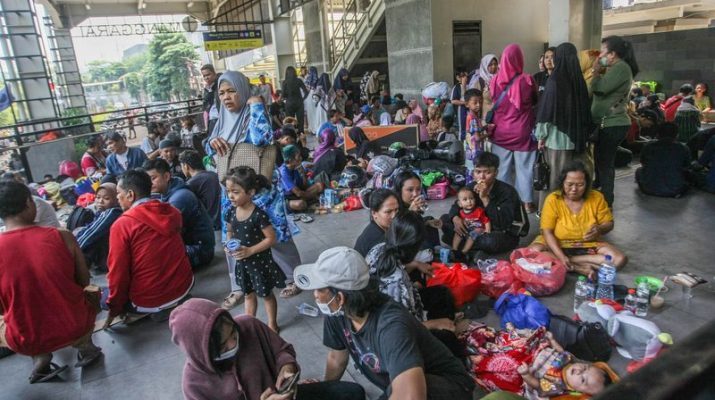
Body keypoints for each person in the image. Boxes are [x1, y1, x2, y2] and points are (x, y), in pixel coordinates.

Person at [293, 246, 476, 400]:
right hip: (404, 387)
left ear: (340, 297)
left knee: (397, 391)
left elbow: (410, 396)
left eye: (319, 289)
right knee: (351, 393)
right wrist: (327, 391)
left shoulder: (390, 324)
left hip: (448, 389)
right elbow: (336, 358)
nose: (315, 295)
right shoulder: (337, 313)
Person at [0, 181, 102, 383]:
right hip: (74, 325)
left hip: (25, 338)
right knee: (91, 291)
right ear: (30, 203)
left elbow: (2, 309)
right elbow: (84, 281)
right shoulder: (62, 236)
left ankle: (40, 357)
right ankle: (85, 347)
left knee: (9, 317)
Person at [169, 298, 366, 400]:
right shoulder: (194, 384)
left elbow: (282, 350)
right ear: (200, 351)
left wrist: (287, 367)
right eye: (223, 345)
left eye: (233, 334)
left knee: (352, 393)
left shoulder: (248, 325)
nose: (233, 344)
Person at [104, 169, 194, 327]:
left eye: (119, 193)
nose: (117, 197)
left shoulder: (123, 224)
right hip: (184, 285)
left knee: (103, 295)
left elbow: (118, 273)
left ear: (130, 195)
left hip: (151, 299)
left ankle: (151, 310)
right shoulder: (172, 211)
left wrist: (115, 307)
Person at [528, 161, 627, 277]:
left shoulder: (596, 198)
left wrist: (599, 229)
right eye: (569, 184)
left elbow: (609, 223)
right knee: (531, 253)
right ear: (562, 183)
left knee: (619, 259)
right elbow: (547, 232)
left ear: (587, 184)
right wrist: (561, 255)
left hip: (587, 245)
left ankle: (569, 262)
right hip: (556, 244)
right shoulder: (553, 199)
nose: (574, 189)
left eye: (580, 185)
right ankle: (580, 267)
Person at [223, 167, 285, 333]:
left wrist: (250, 251)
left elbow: (271, 238)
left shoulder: (259, 215)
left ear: (250, 192)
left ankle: (272, 324)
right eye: (228, 191)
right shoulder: (230, 212)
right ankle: (250, 324)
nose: (230, 196)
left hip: (260, 264)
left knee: (266, 295)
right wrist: (228, 245)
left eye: (235, 192)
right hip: (242, 264)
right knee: (248, 294)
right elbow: (229, 231)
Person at [535, 42, 592, 211]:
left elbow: (547, 113)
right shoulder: (578, 80)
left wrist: (540, 137)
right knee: (572, 181)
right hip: (575, 141)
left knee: (554, 180)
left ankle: (549, 214)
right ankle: (569, 213)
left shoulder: (555, 81)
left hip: (556, 141)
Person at [441, 152, 526, 255]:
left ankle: (463, 243)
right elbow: (456, 204)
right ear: (473, 173)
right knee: (445, 219)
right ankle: (470, 245)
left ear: (496, 173)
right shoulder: (471, 187)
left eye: (487, 172)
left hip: (501, 232)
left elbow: (502, 224)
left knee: (491, 241)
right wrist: (455, 218)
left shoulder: (508, 192)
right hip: (475, 227)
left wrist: (485, 198)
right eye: (478, 172)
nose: (482, 177)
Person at [591, 35, 639, 207]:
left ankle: (606, 199)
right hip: (607, 122)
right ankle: (600, 189)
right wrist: (598, 66)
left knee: (605, 162)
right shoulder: (614, 67)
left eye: (603, 51)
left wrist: (595, 72)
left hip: (612, 123)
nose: (599, 55)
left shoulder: (621, 68)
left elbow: (600, 88)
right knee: (600, 159)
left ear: (612, 54)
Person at [489, 44, 538, 212]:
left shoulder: (495, 80)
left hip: (501, 132)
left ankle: (505, 201)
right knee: (525, 169)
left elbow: (492, 100)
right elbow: (535, 100)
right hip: (523, 132)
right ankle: (526, 203)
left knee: (502, 170)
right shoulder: (527, 80)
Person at [143, 159, 215, 268]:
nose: (149, 183)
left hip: (200, 251)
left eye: (153, 178)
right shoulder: (170, 188)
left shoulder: (180, 197)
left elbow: (165, 232)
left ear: (166, 176)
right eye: (147, 180)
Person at [519, 336, 617, 398]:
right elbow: (561, 352)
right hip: (539, 352)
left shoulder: (558, 386)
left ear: (578, 391)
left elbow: (537, 385)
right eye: (585, 367)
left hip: (531, 367)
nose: (579, 371)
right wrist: (553, 340)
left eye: (583, 380)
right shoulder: (569, 361)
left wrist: (526, 374)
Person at [75, 183, 122, 273]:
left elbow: (91, 233)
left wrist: (73, 249)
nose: (100, 201)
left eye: (106, 198)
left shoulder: (113, 212)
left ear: (116, 199)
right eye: (98, 197)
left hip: (108, 260)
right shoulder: (103, 212)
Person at [636, 122, 691, 198]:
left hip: (648, 189)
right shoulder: (683, 148)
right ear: (677, 134)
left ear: (658, 134)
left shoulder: (648, 146)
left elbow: (643, 162)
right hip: (675, 189)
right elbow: (687, 166)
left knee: (638, 170)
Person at [392, 171, 442, 249]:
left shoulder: (409, 203)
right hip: (400, 242)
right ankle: (428, 253)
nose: (415, 194)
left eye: (418, 189)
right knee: (419, 233)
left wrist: (427, 222)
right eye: (410, 190)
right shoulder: (393, 207)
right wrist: (411, 212)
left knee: (430, 220)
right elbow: (399, 232)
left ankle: (436, 250)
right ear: (399, 190)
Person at [179, 150, 222, 230]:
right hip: (223, 222)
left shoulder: (190, 183)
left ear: (186, 166)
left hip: (211, 227)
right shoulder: (215, 175)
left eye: (182, 166)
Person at [354, 188, 400, 257]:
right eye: (388, 212)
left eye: (396, 210)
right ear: (374, 213)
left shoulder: (382, 228)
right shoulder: (378, 242)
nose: (394, 216)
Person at [279, 145, 323, 212]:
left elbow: (303, 186)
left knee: (319, 185)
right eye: (298, 157)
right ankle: (310, 201)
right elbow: (298, 193)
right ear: (291, 160)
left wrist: (303, 174)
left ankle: (310, 201)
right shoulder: (283, 172)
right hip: (286, 199)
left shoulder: (295, 167)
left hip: (297, 195)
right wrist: (313, 196)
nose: (301, 158)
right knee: (301, 204)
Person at [451, 187, 491, 259]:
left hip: (478, 228)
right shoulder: (460, 212)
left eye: (471, 198)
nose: (469, 201)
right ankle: (454, 250)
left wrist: (487, 230)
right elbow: (461, 221)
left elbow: (486, 220)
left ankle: (464, 251)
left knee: (473, 234)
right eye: (465, 199)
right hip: (468, 227)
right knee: (458, 232)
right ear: (460, 204)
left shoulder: (479, 210)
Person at [469, 54, 498, 123]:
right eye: (490, 65)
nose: (494, 66)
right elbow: (473, 103)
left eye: (495, 64)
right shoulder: (480, 82)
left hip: (501, 119)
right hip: (486, 120)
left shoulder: (501, 80)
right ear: (485, 66)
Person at [282, 66, 309, 134]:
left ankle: (291, 134)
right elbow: (306, 92)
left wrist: (287, 97)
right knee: (300, 121)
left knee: (290, 121)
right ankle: (301, 134)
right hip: (299, 102)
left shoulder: (285, 82)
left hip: (289, 103)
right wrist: (302, 99)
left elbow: (283, 95)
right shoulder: (299, 80)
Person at [201, 64, 221, 137]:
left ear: (214, 74)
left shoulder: (221, 84)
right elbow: (206, 106)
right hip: (212, 119)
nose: (206, 78)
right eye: (204, 76)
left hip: (221, 118)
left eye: (208, 74)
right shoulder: (207, 88)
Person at [450, 69, 469, 138]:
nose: (464, 78)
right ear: (457, 78)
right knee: (462, 128)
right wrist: (464, 103)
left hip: (470, 110)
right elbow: (453, 101)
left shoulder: (470, 85)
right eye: (462, 76)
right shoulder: (457, 87)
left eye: (465, 76)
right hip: (461, 110)